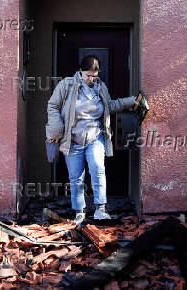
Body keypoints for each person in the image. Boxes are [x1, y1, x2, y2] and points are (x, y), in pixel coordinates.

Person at [46, 55, 138, 225]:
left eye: (94, 75)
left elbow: (109, 106)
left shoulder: (100, 87)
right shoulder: (67, 85)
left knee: (97, 169)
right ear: (80, 71)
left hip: (95, 137)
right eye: (88, 75)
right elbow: (53, 105)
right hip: (73, 140)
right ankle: (80, 211)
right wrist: (56, 128)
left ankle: (100, 209)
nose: (91, 79)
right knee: (76, 177)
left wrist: (130, 102)